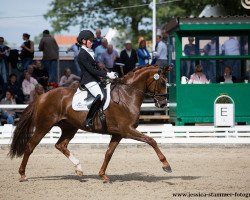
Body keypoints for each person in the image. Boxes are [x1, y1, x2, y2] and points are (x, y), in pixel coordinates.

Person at [77, 30, 117, 128]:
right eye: (90, 41)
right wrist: (107, 74)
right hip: (88, 80)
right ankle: (88, 120)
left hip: (95, 78)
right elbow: (91, 70)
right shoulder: (82, 54)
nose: (92, 42)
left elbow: (96, 66)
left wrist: (109, 72)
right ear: (83, 41)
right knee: (100, 96)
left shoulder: (89, 51)